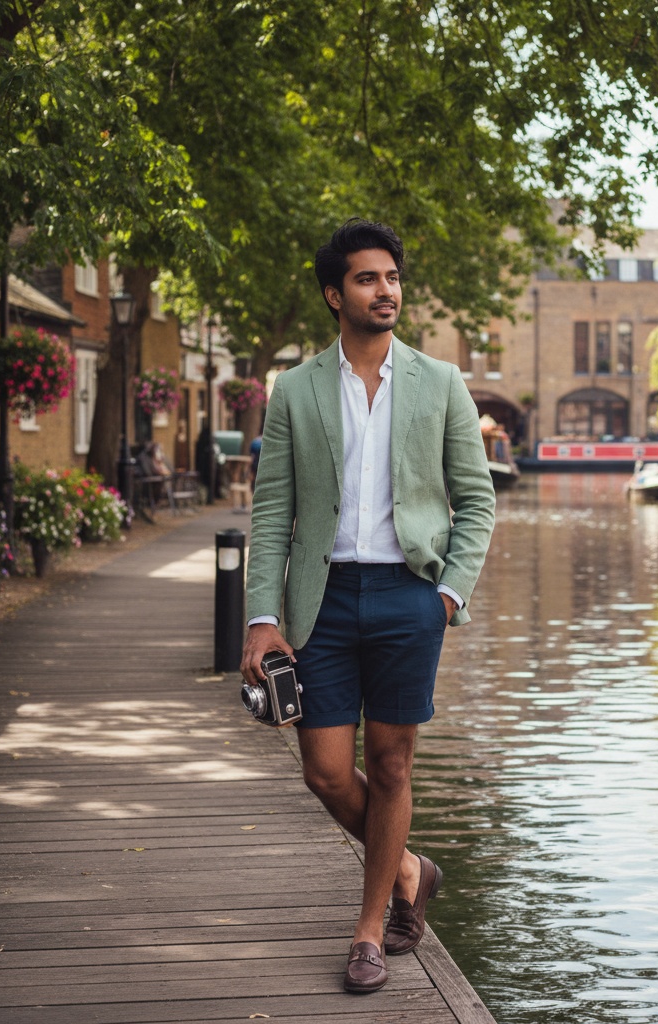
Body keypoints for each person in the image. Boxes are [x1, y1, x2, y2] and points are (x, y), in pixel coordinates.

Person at [241, 219, 496, 995]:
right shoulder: (296, 389)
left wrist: (447, 594)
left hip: (408, 596)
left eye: (392, 278)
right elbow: (272, 510)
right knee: (324, 771)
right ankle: (411, 869)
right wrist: (261, 617)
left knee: (390, 766)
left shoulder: (441, 382)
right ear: (334, 294)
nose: (385, 291)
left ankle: (368, 930)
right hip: (319, 602)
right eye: (366, 279)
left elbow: (476, 500)